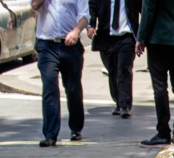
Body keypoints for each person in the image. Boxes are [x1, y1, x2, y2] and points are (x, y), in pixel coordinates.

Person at [31, 0, 89, 147]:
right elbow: (34, 5)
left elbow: (84, 16)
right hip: (47, 45)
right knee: (50, 87)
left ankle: (76, 128)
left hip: (70, 45)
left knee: (73, 89)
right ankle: (50, 134)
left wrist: (76, 31)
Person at [136, 0, 174, 147]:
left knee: (159, 86)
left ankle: (163, 132)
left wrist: (141, 38)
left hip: (159, 37)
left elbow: (148, 9)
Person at [88, 0, 140, 118]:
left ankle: (124, 105)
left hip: (127, 36)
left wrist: (142, 37)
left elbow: (143, 8)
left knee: (124, 69)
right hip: (107, 36)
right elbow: (93, 5)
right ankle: (118, 101)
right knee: (112, 70)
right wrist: (91, 25)